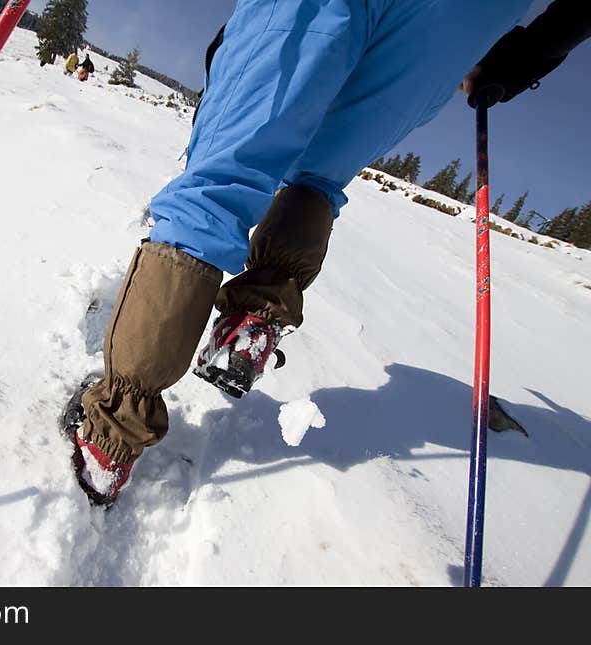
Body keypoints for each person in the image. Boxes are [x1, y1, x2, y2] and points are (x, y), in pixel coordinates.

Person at [64, 0, 591, 507]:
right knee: (317, 176)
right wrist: (524, 54)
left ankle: (112, 432)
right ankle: (251, 324)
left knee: (219, 180)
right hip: (458, 24)